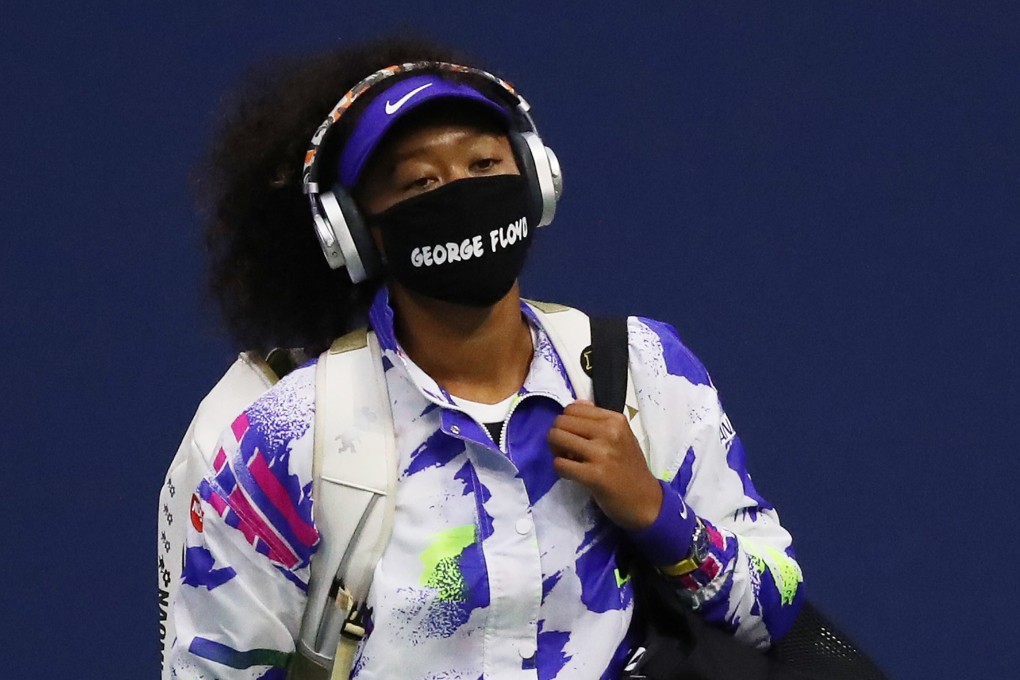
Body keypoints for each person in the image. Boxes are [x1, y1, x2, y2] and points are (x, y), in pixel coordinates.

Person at [168, 35, 804, 679]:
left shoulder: (643, 371)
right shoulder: (281, 442)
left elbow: (774, 610)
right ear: (357, 235)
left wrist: (656, 512)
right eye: (420, 181)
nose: (459, 193)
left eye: (482, 166)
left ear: (536, 183)